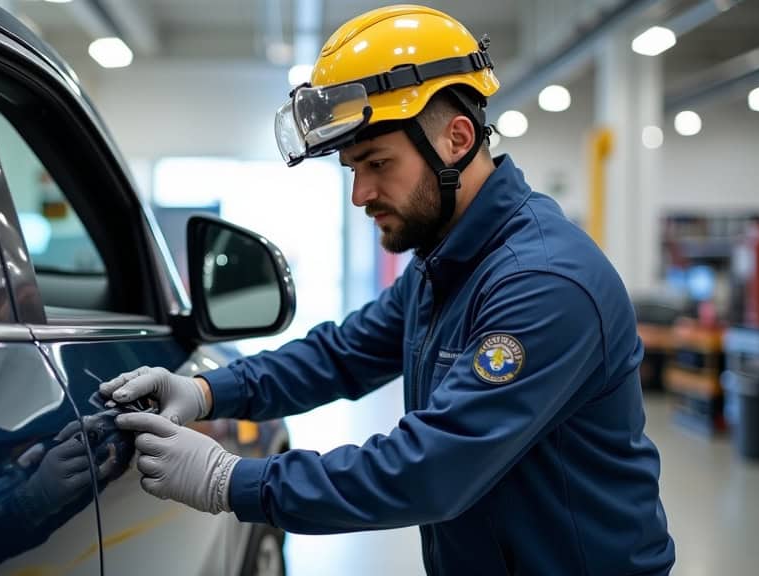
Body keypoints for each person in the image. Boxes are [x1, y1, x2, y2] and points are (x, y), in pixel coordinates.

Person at [107, 5, 675, 575]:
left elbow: (430, 469)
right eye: (354, 168)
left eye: (378, 163)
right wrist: (206, 391)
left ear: (457, 139)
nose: (361, 194)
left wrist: (230, 479)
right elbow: (342, 354)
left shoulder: (542, 285)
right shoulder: (446, 262)